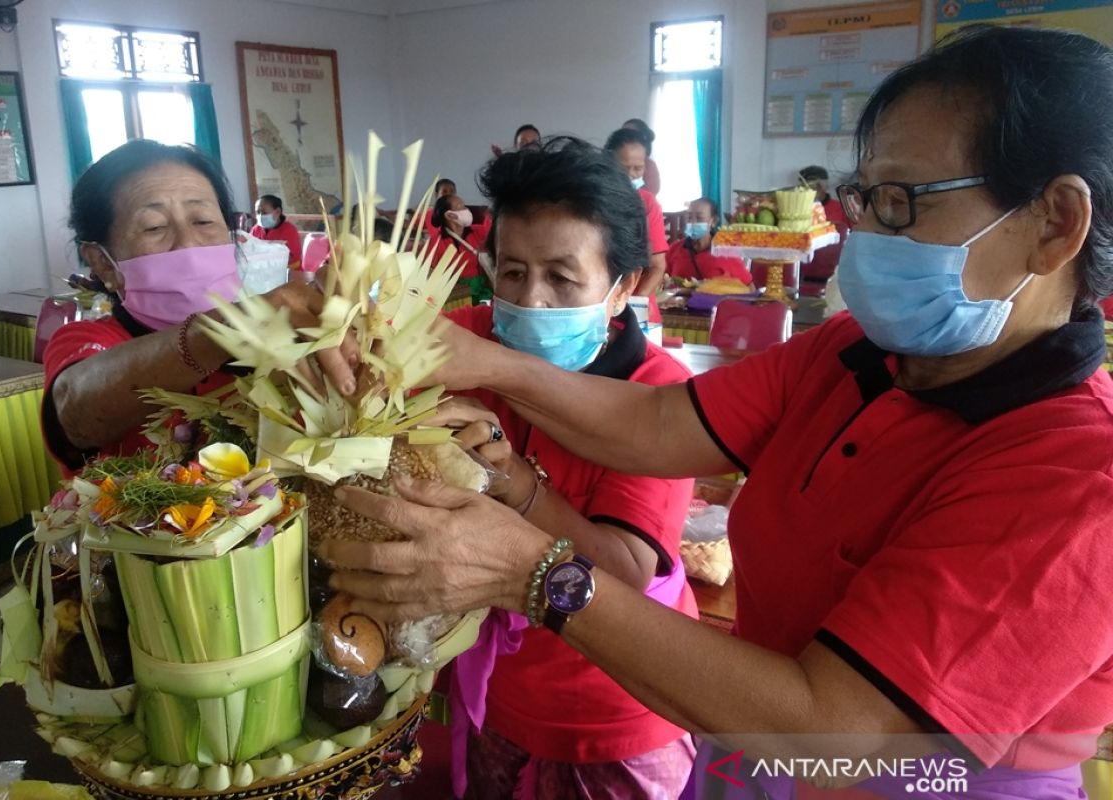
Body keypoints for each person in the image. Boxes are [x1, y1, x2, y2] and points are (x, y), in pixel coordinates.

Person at [318, 25, 1113, 798]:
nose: (862, 233)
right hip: (747, 744)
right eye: (861, 199)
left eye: (901, 203)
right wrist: (485, 359)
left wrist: (531, 571)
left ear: (1054, 225)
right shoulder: (853, 356)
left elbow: (839, 735)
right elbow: (656, 425)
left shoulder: (1079, 477)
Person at [432, 135, 697, 799]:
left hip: (609, 704)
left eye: (562, 276)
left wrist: (512, 480)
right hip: (498, 689)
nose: (532, 301)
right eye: (513, 272)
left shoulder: (656, 393)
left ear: (623, 287)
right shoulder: (471, 338)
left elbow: (626, 571)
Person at [43, 140, 331, 474]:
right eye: (154, 228)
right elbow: (76, 413)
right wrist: (220, 331)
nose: (187, 244)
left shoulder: (285, 332)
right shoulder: (89, 340)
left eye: (203, 221)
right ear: (102, 263)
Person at [605, 127, 668, 298]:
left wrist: (634, 303)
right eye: (624, 169)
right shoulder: (595, 200)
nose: (631, 175)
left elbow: (657, 266)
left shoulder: (648, 204)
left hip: (637, 297)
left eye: (638, 168)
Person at [667, 197, 751, 284]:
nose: (693, 222)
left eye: (699, 218)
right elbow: (663, 280)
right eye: (689, 218)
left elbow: (748, 286)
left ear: (713, 221)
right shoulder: (674, 249)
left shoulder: (726, 252)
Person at [429, 193, 493, 304]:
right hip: (458, 298)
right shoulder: (436, 243)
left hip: (485, 292)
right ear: (450, 215)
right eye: (461, 207)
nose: (467, 210)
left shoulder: (480, 232)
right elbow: (430, 276)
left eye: (465, 206)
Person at [250, 194, 303, 269]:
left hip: (289, 273)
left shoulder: (289, 230)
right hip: (263, 271)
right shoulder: (255, 229)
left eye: (264, 213)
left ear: (277, 212)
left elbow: (291, 258)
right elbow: (249, 250)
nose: (260, 216)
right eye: (258, 212)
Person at [622, 117, 661, 196]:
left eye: (630, 133)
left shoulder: (648, 165)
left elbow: (650, 193)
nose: (624, 136)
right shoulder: (614, 160)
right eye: (622, 132)